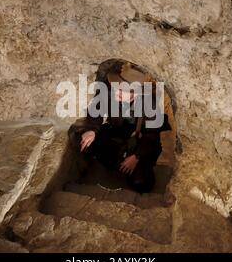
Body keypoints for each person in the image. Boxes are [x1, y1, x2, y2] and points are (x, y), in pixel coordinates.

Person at [68, 62, 171, 193]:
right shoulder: (111, 92)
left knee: (142, 184)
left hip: (141, 139)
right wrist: (92, 130)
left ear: (137, 93)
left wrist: (136, 156)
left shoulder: (150, 103)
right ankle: (118, 160)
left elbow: (152, 136)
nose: (116, 93)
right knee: (84, 140)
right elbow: (96, 110)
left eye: (122, 91)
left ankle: (129, 163)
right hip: (118, 132)